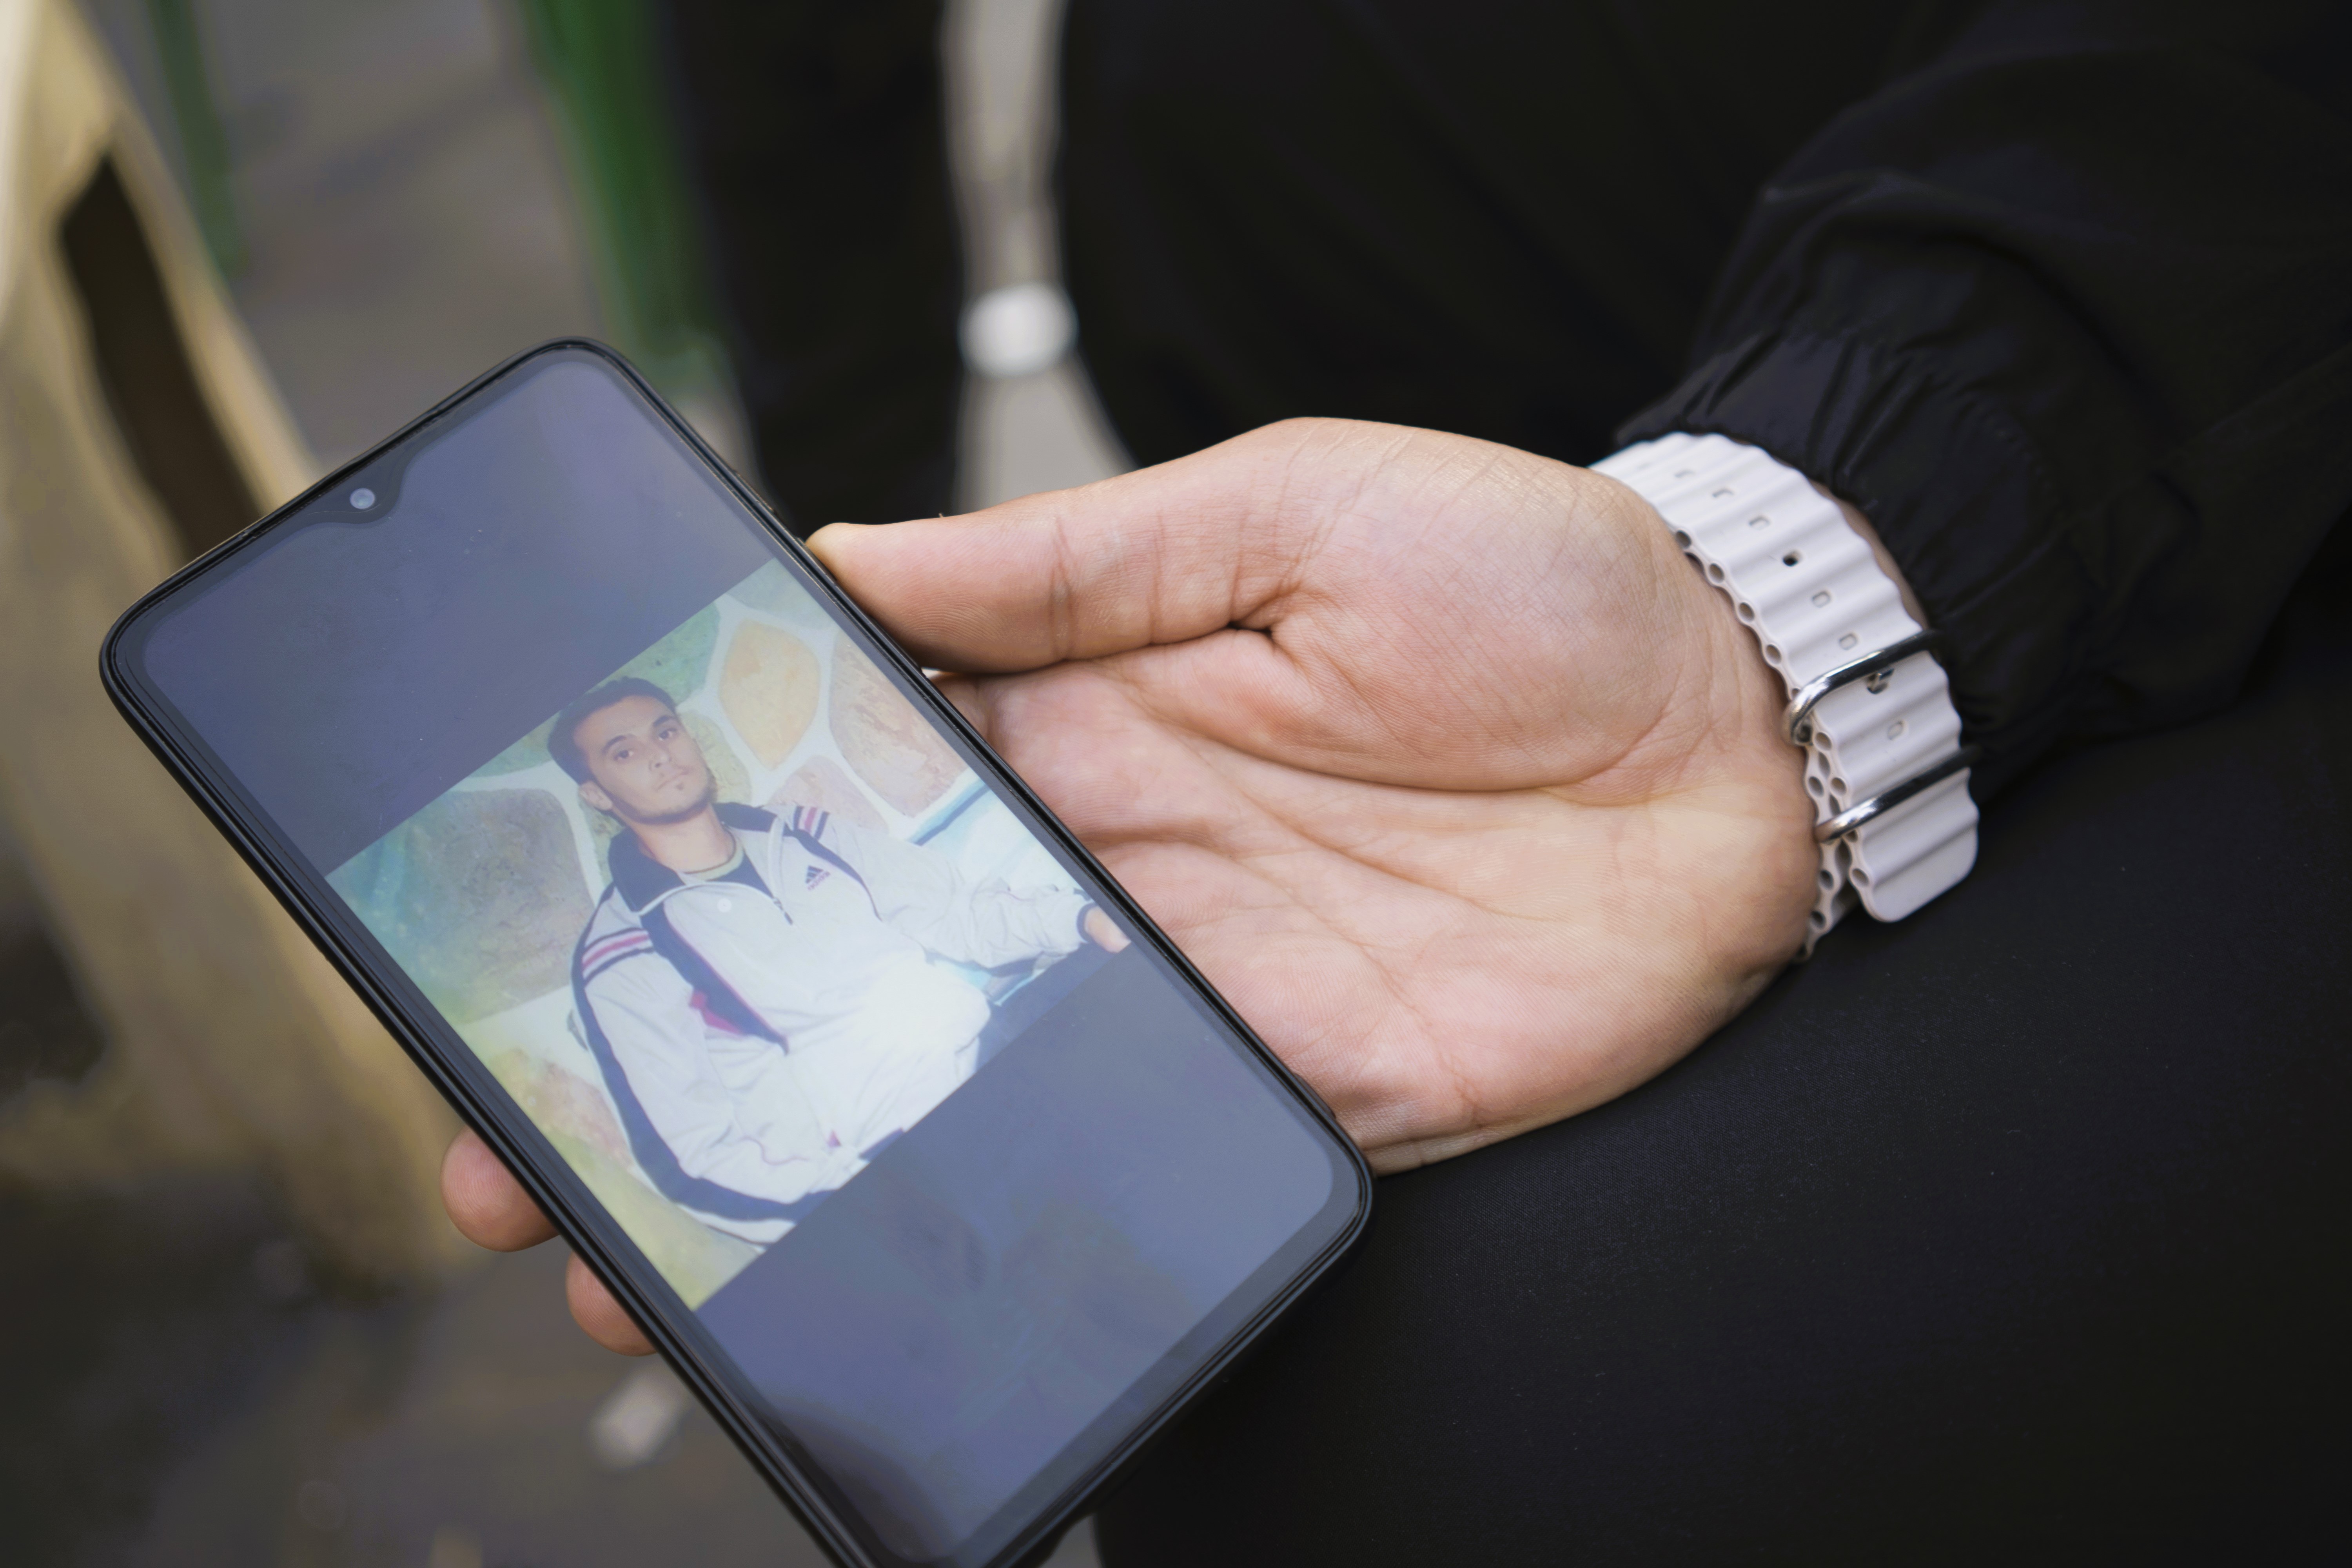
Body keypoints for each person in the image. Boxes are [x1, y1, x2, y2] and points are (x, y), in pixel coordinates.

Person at [441, 1, 2352, 1556]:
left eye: (652, 709)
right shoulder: (642, 964)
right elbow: (744, 1130)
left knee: (1444, 1402)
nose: (656, 730)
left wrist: (1781, 580)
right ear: (602, 795)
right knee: (1295, 1398)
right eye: (619, 736)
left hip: (2022, 338)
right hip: (1398, 350)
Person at [548, 676, 1126, 1241]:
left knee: (1134, 962)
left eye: (665, 732)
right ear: (596, 793)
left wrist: (1084, 919)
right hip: (912, 1157)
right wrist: (867, 1206)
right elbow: (693, 1158)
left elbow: (959, 912)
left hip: (999, 1051)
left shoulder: (797, 831)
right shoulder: (625, 953)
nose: (659, 757)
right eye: (624, 752)